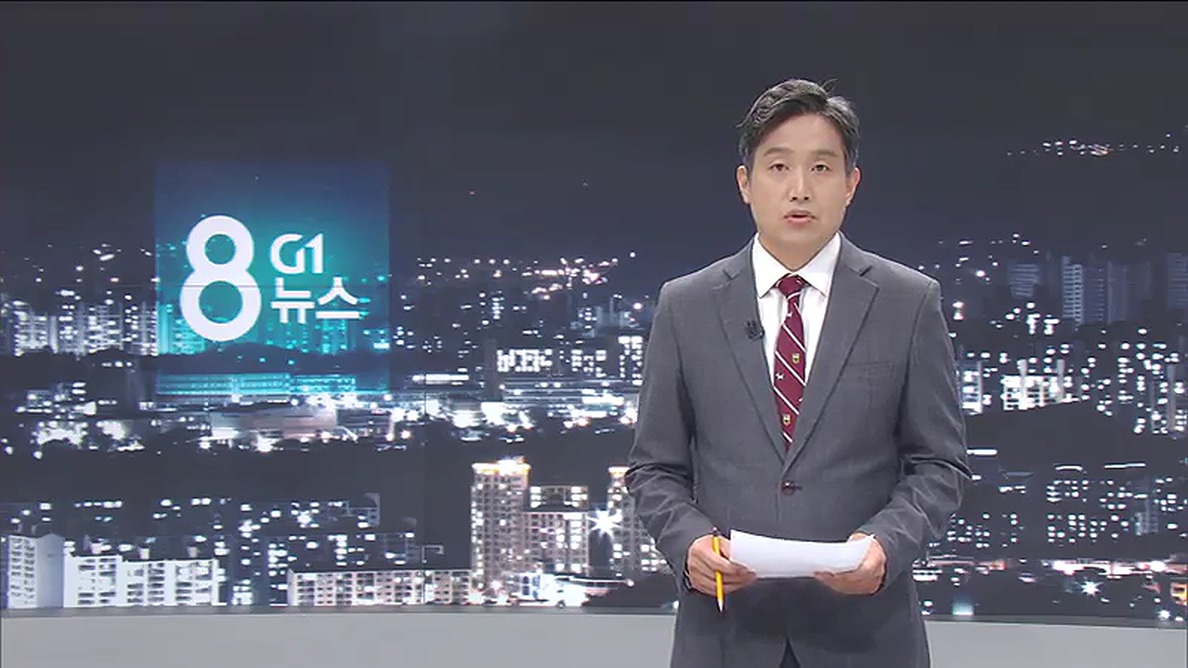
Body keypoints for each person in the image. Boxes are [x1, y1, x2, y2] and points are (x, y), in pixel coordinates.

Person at [625, 78, 972, 668]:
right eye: (779, 167)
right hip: (727, 637)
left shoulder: (909, 302)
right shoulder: (686, 306)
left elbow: (940, 464)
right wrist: (689, 544)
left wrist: (885, 546)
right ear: (745, 184)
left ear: (851, 185)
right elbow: (654, 468)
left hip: (866, 639)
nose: (800, 189)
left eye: (821, 168)